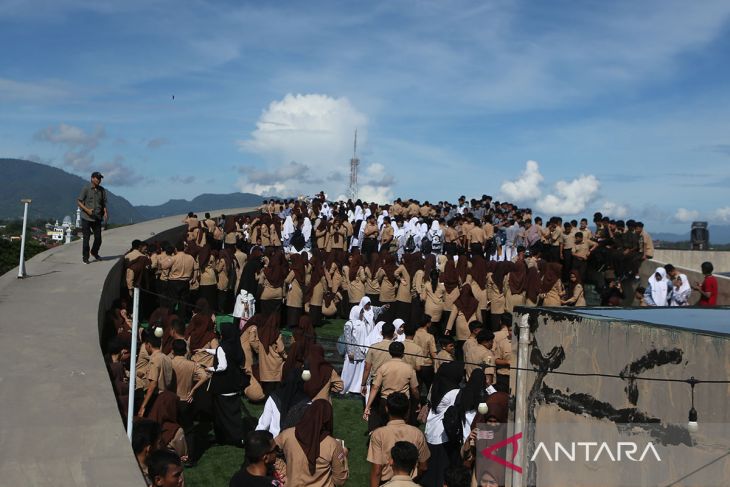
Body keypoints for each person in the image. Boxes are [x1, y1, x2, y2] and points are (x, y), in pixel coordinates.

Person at [275, 399, 349, 487]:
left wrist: (282, 470)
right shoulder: (332, 445)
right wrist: (343, 456)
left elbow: (270, 450)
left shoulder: (287, 434)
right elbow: (339, 480)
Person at [367, 393, 430, 486]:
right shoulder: (418, 433)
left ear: (386, 408)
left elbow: (377, 471)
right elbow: (423, 466)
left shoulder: (378, 434)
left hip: (386, 482)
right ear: (407, 411)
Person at [201, 322, 247, 446]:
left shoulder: (223, 347)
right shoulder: (235, 346)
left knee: (221, 415)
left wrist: (209, 369)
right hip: (234, 385)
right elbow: (221, 353)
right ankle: (238, 437)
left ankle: (223, 436)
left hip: (222, 387)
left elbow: (222, 366)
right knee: (233, 414)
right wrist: (206, 350)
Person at [422, 361, 464, 487]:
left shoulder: (437, 385)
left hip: (431, 431)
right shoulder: (453, 392)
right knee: (442, 471)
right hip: (443, 435)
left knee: (432, 468)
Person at [364, 341, 420, 431]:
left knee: (385, 427)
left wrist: (368, 406)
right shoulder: (409, 368)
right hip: (403, 401)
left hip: (386, 401)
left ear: (390, 352)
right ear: (403, 352)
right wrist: (417, 401)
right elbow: (414, 390)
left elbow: (375, 387)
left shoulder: (383, 367)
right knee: (402, 427)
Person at [77, 171, 108, 263]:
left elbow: (103, 203)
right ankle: (85, 257)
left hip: (97, 218)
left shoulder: (102, 190)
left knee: (98, 239)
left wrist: (105, 212)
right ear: (92, 178)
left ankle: (94, 252)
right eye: (97, 178)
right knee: (86, 239)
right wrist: (87, 210)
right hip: (86, 217)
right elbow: (79, 201)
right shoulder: (86, 188)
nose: (99, 180)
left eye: (100, 179)